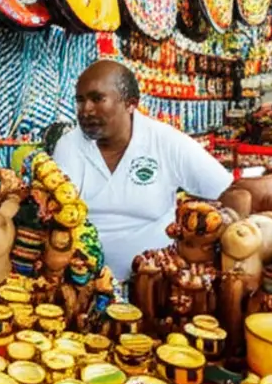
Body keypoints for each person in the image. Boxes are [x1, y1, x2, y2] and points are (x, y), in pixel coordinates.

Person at [52, 61, 234, 280]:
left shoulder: (166, 141)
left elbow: (226, 190)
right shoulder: (68, 146)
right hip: (82, 283)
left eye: (97, 99)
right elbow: (55, 215)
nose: (86, 110)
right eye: (80, 101)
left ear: (130, 104)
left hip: (155, 284)